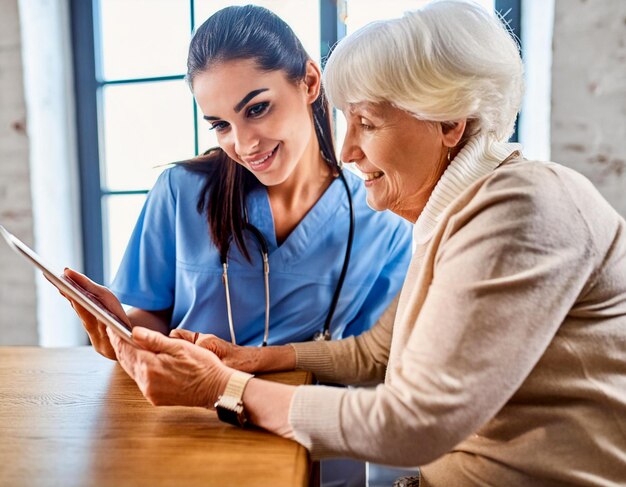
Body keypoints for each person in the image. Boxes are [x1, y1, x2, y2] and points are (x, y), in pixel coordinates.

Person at [81, 1, 626, 486]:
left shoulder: (520, 209)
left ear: (450, 123)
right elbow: (376, 352)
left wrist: (222, 386)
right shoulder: (457, 215)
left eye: (366, 122)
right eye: (347, 121)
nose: (346, 149)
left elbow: (413, 425)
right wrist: (254, 359)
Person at [64, 5, 411, 360]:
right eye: (221, 125)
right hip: (188, 409)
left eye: (257, 108)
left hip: (297, 412)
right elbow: (154, 318)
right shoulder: (179, 192)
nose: (244, 145)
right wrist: (123, 334)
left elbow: (369, 358)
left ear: (309, 82)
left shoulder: (383, 224)